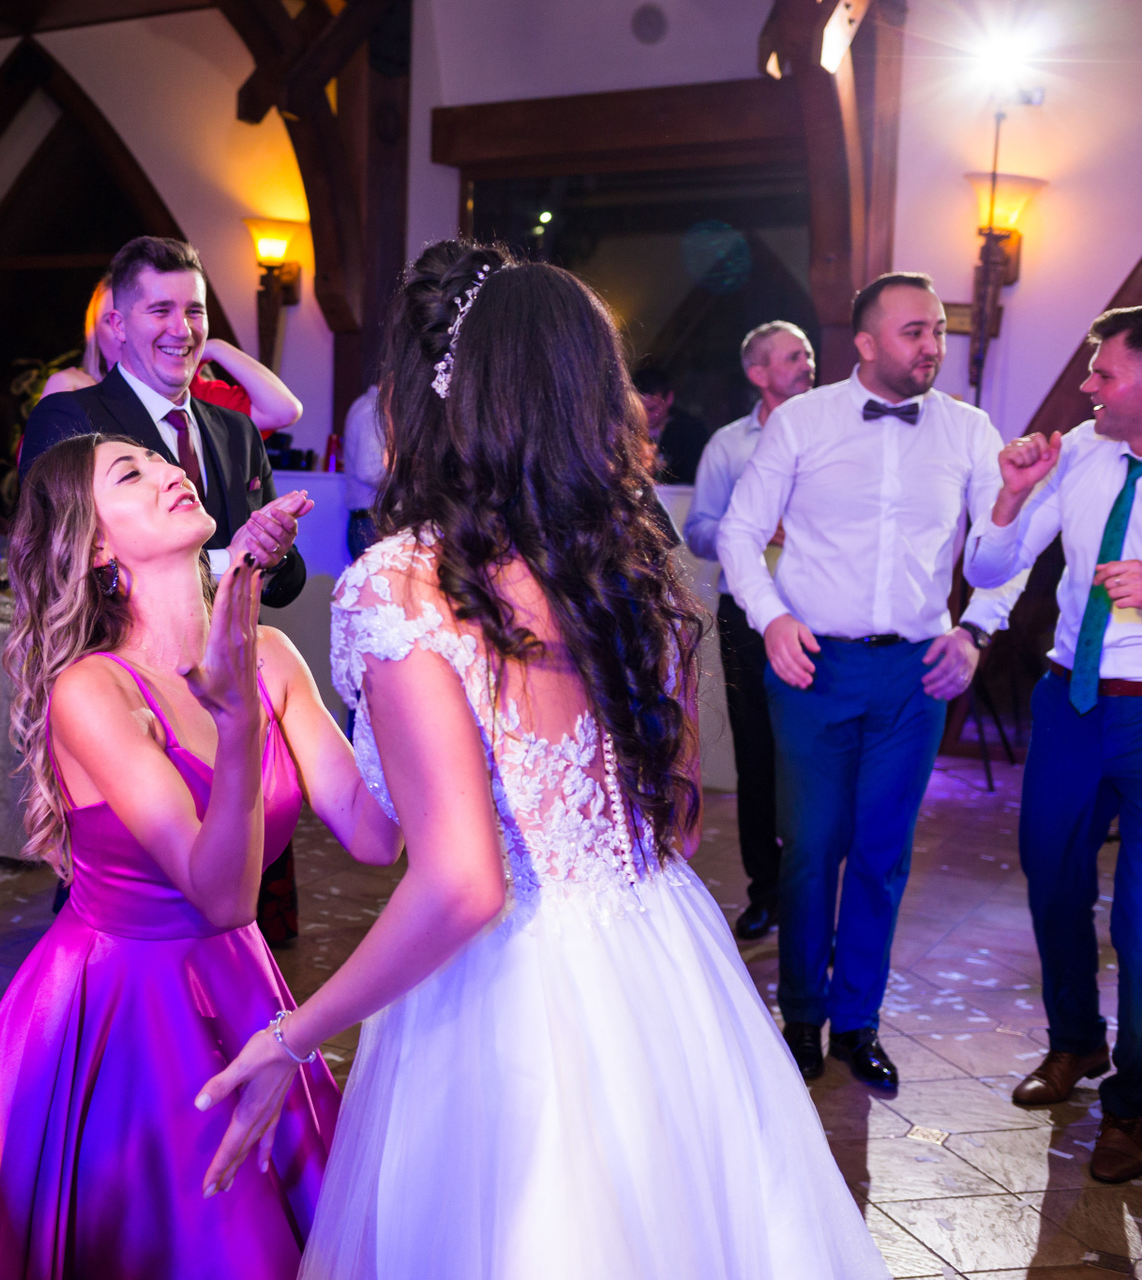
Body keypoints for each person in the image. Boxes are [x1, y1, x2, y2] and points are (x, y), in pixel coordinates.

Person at [196, 242, 886, 1278]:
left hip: (507, 998)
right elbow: (670, 818)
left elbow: (462, 883)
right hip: (661, 960)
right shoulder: (628, 562)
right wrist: (280, 680)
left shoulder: (405, 582)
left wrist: (293, 1035)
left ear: (442, 392)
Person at [0, 433, 401, 1277]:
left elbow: (375, 835)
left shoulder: (271, 656)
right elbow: (221, 896)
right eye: (132, 472)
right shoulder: (93, 690)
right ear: (94, 545)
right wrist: (237, 722)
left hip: (243, 988)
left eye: (163, 460)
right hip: (119, 1016)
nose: (169, 471)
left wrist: (402, 658)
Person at [717, 272, 1021, 1089]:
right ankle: (802, 1015)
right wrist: (771, 618)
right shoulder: (803, 422)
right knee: (812, 847)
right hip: (814, 665)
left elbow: (1003, 552)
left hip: (917, 676)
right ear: (864, 342)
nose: (933, 346)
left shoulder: (969, 430)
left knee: (883, 854)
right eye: (915, 331)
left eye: (939, 331)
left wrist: (976, 631)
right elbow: (740, 534)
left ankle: (857, 1023)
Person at [21, 238, 315, 943]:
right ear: (116, 324)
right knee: (136, 897)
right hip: (131, 690)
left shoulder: (235, 430)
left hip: (230, 688)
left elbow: (284, 580)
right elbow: (56, 560)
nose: (181, 329)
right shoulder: (71, 419)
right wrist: (231, 557)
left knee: (236, 885)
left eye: (194, 310)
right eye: (160, 310)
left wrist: (268, 553)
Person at [967, 306, 1142, 1180]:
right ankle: (1076, 1041)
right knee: (1052, 878)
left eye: (1104, 372)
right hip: (1071, 702)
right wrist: (1008, 496)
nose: (1086, 384)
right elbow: (989, 568)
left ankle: (1134, 1107)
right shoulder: (1077, 450)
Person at [682, 320, 816, 941]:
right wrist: (752, 529)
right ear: (757, 373)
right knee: (758, 757)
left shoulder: (833, 428)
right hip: (748, 615)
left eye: (807, 353)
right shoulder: (728, 445)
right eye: (791, 357)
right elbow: (698, 531)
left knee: (812, 760)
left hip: (820, 617)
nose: (806, 363)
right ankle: (767, 890)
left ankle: (813, 894)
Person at [40, 276, 305, 434]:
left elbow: (284, 411)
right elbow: (39, 481)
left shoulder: (196, 396)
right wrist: (57, 400)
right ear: (96, 332)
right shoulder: (75, 392)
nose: (128, 332)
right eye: (112, 321)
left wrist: (215, 347)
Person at [633, 360, 711, 485]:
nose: (644, 416)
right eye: (638, 410)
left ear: (669, 399)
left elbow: (694, 480)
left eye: (651, 409)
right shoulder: (623, 429)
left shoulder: (691, 432)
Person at [341, 383, 385, 561]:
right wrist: (409, 481)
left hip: (368, 521)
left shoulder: (364, 404)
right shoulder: (373, 410)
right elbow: (369, 471)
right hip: (372, 522)